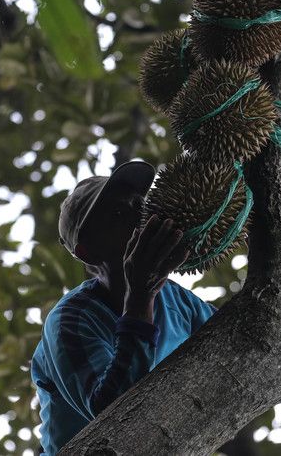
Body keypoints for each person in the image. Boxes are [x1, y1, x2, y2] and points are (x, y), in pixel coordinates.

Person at [30, 159, 217, 454]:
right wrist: (141, 296)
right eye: (118, 213)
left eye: (139, 206)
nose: (137, 216)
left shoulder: (175, 299)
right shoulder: (70, 320)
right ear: (87, 252)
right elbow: (113, 412)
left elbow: (238, 332)